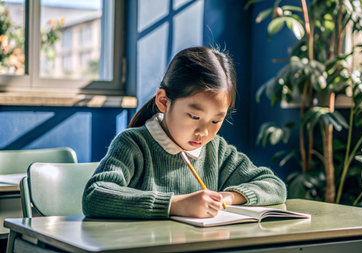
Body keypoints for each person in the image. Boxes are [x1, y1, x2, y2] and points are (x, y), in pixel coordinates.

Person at [82, 46, 286, 219]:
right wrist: (175, 205)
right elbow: (95, 195)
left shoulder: (216, 150)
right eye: (194, 117)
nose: (204, 132)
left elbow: (275, 186)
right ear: (163, 101)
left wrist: (227, 197)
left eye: (216, 120)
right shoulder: (133, 144)